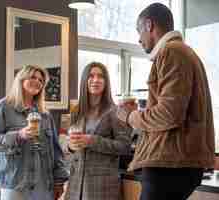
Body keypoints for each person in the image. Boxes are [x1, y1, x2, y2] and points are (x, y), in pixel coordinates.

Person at [117, 3, 215, 200]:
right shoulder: (181, 52)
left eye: (139, 31)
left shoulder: (172, 52)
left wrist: (130, 116)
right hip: (176, 164)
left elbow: (169, 114)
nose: (139, 39)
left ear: (149, 25)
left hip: (169, 165)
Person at [0, 65, 69, 200]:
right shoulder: (4, 107)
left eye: (41, 80)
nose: (38, 82)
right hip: (16, 184)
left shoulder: (45, 114)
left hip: (44, 185)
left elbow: (56, 151)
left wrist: (59, 181)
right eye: (33, 77)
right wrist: (18, 135)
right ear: (21, 79)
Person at [64, 62, 131, 200]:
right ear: (84, 80)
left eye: (100, 76)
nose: (96, 80)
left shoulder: (116, 112)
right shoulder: (76, 112)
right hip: (76, 185)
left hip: (103, 187)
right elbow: (68, 147)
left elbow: (125, 147)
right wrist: (70, 147)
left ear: (106, 82)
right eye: (91, 76)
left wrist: (92, 140)